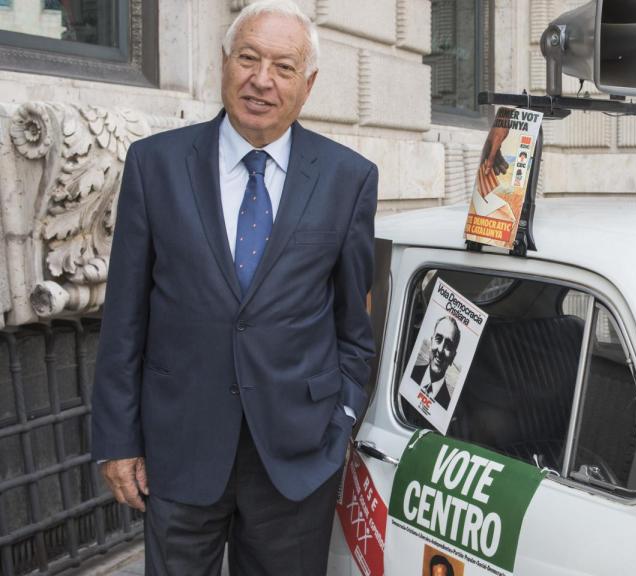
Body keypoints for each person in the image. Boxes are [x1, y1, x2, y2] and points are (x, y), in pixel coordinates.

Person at [90, 1, 377, 574]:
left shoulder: (349, 178)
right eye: (248, 58)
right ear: (224, 62)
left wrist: (341, 418)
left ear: (308, 84)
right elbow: (124, 318)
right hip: (179, 449)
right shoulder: (155, 165)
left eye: (283, 67)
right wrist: (117, 439)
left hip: (296, 459)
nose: (261, 80)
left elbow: (353, 324)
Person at [411, 316, 461, 410]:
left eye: (449, 346)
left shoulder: (447, 406)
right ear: (431, 342)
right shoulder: (410, 372)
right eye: (438, 339)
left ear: (453, 356)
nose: (441, 350)